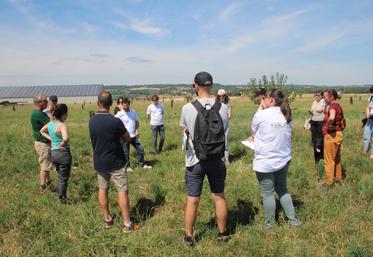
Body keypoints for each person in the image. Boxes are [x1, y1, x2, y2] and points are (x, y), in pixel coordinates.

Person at [179, 72, 229, 246]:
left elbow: (185, 129)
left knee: (193, 199)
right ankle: (222, 234)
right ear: (211, 86)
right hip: (216, 158)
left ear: (196, 86)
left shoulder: (187, 108)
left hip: (195, 160)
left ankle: (189, 237)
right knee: (219, 196)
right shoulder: (222, 108)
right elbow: (223, 131)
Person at [89, 91, 140, 233]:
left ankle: (107, 220)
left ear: (98, 103)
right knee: (122, 191)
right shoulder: (115, 121)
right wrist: (120, 140)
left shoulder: (92, 120)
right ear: (111, 104)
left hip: (99, 161)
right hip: (116, 161)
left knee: (102, 189)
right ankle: (127, 224)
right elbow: (128, 138)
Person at [250, 88, 299, 229]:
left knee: (267, 194)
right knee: (283, 189)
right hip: (283, 160)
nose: (261, 101)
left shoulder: (261, 115)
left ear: (270, 99)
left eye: (263, 98)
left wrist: (261, 107)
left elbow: (253, 132)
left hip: (265, 162)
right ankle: (293, 221)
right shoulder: (286, 115)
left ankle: (269, 224)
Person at [40, 104, 72, 204]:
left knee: (59, 175)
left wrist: (52, 139)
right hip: (63, 153)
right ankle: (62, 199)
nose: (67, 115)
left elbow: (42, 131)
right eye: (66, 113)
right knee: (64, 177)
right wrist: (63, 142)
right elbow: (66, 138)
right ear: (63, 115)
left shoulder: (51, 123)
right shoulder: (62, 125)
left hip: (54, 153)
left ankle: (59, 194)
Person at [115, 97, 152, 170]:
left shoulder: (133, 112)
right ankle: (127, 166)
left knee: (141, 149)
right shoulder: (119, 114)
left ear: (129, 104)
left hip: (134, 136)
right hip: (125, 137)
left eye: (126, 105)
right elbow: (114, 123)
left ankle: (141, 164)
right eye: (123, 106)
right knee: (126, 152)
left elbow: (137, 122)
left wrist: (137, 131)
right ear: (121, 105)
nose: (124, 107)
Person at [321, 89, 345, 190]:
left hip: (332, 136)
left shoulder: (332, 107)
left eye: (326, 96)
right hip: (339, 134)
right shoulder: (337, 105)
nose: (324, 98)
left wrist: (329, 126)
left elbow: (332, 116)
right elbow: (333, 113)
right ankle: (338, 180)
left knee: (329, 160)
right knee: (337, 158)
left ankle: (329, 183)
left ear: (331, 96)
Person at [30, 95, 53, 192]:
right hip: (42, 143)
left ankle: (48, 184)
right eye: (44, 101)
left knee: (47, 164)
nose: (47, 102)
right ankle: (43, 187)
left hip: (44, 142)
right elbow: (52, 123)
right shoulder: (38, 114)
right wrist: (50, 112)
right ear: (38, 103)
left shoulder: (40, 112)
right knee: (44, 165)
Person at [309, 91, 326, 164]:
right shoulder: (314, 102)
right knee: (314, 137)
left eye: (318, 95)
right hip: (313, 121)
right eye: (316, 95)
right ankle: (315, 149)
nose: (317, 96)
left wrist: (323, 109)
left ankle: (321, 154)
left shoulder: (323, 102)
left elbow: (323, 110)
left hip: (320, 122)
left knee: (320, 137)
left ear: (321, 96)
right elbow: (312, 110)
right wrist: (310, 112)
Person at [216, 89, 231, 164]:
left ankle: (227, 159)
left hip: (226, 127)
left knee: (226, 143)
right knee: (218, 143)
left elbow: (229, 116)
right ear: (218, 97)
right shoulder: (216, 104)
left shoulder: (227, 104)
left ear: (225, 96)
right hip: (217, 127)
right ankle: (220, 159)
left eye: (223, 96)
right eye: (220, 96)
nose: (222, 97)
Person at [363, 86, 373, 158]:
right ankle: (365, 151)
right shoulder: (370, 98)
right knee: (366, 136)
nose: (371, 92)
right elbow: (368, 107)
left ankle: (372, 154)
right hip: (370, 120)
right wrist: (367, 114)